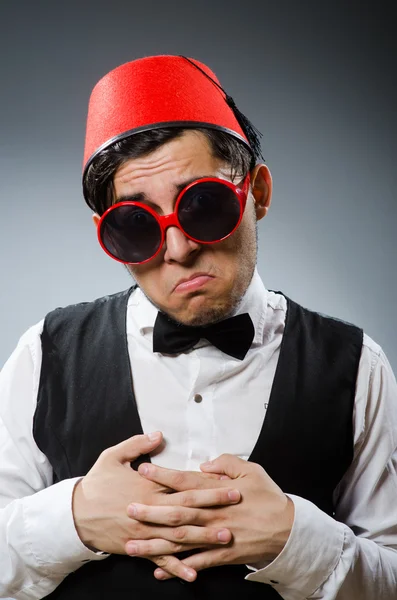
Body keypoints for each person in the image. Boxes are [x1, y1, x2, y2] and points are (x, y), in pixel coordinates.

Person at [0, 55, 396, 600]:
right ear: (106, 232)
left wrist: (297, 539)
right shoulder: (44, 354)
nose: (179, 250)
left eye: (203, 206)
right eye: (136, 226)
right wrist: (72, 520)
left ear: (256, 191)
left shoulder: (356, 365)